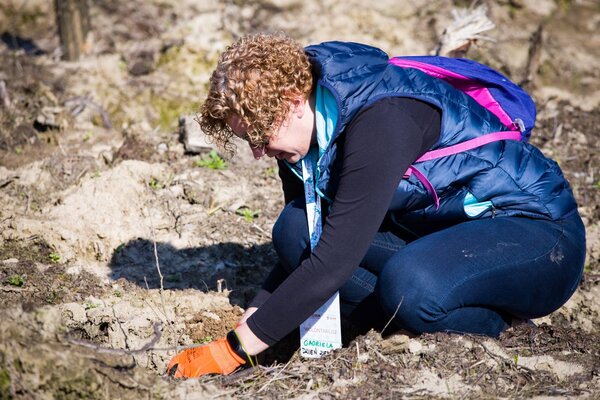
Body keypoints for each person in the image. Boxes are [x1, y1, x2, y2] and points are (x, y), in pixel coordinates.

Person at [166, 33, 586, 378]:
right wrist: (254, 321)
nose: (258, 151)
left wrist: (234, 350)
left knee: (414, 286)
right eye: (248, 141)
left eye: (260, 134)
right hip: (444, 233)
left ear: (294, 100)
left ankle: (500, 323)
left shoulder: (381, 121)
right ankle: (412, 315)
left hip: (537, 236)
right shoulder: (301, 141)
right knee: (292, 231)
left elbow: (335, 259)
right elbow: (312, 236)